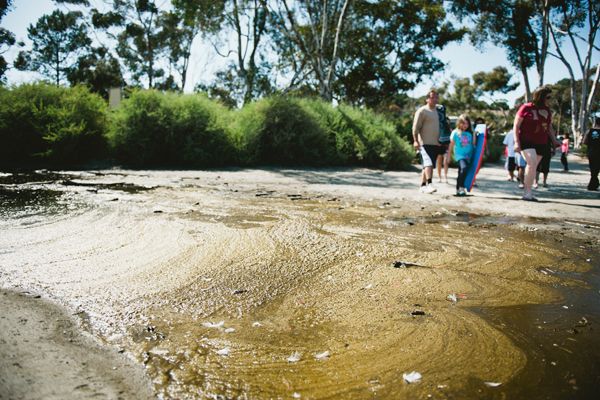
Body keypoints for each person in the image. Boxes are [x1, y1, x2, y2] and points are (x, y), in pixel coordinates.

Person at [513, 85, 561, 201]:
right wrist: (516, 142)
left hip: (542, 142)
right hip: (526, 141)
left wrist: (554, 140)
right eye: (548, 97)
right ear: (540, 96)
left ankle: (528, 191)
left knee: (533, 166)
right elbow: (516, 125)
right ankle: (527, 193)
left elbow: (549, 127)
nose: (550, 99)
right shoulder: (526, 107)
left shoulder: (547, 111)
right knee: (531, 163)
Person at [412, 89, 445, 194]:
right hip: (424, 143)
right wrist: (416, 141)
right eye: (432, 97)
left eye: (436, 97)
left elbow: (444, 126)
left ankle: (422, 186)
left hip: (436, 143)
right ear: (427, 99)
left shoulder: (439, 111)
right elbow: (415, 128)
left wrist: (443, 140)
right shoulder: (422, 111)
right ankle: (430, 184)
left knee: (427, 166)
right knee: (428, 164)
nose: (435, 99)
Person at [449, 114, 474, 196]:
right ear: (459, 123)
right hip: (460, 155)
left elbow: (473, 144)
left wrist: (475, 134)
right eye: (462, 123)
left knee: (462, 171)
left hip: (468, 156)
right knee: (464, 168)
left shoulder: (469, 134)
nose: (465, 125)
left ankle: (458, 189)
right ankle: (461, 187)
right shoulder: (455, 132)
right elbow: (451, 144)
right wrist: (448, 156)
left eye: (466, 123)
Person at [583, 117, 600, 191]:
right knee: (597, 169)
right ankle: (593, 184)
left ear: (595, 123)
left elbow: (584, 142)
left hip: (591, 152)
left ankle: (593, 184)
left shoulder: (589, 131)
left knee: (592, 169)